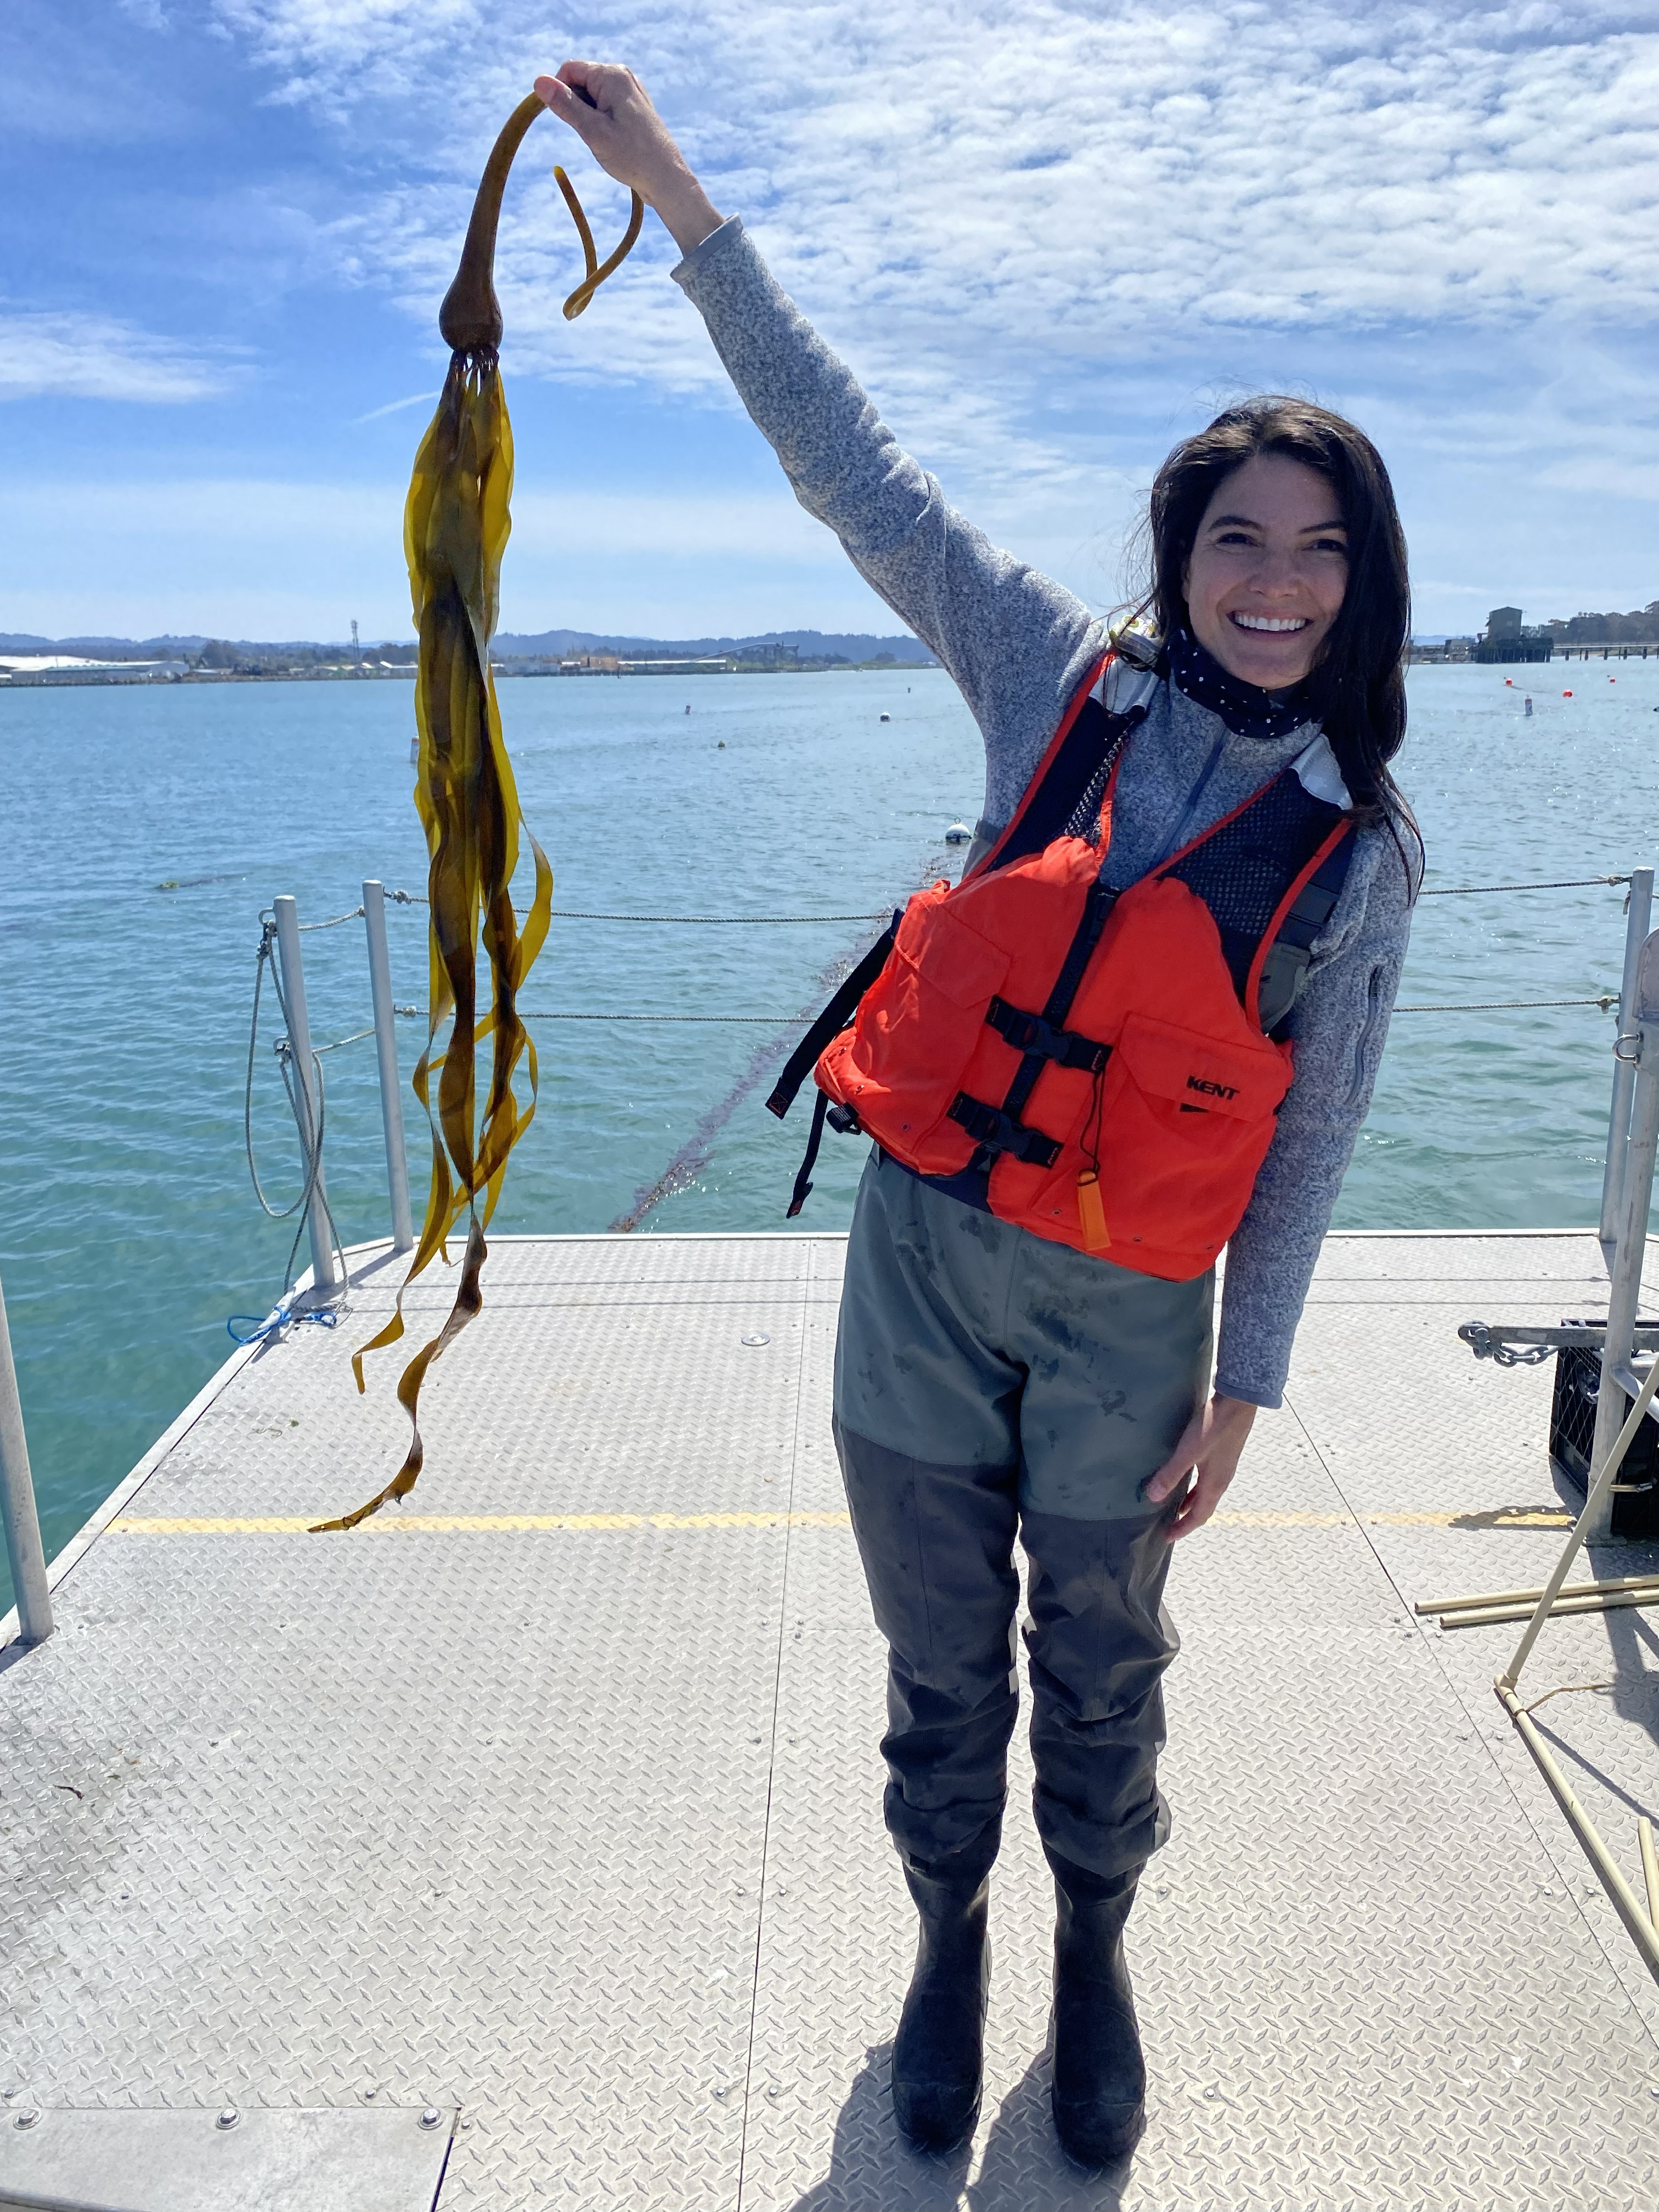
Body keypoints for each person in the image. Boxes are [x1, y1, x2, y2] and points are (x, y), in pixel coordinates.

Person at [538, 61, 1418, 2169]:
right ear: (1180, 556)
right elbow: (864, 476)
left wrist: (1249, 1384)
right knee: (943, 1666)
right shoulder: (1053, 679)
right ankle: (950, 1934)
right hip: (924, 1273)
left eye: (1317, 551)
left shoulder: (1364, 854)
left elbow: (1310, 1143)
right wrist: (677, 201)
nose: (1272, 584)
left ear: (1358, 582)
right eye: (1237, 542)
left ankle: (1091, 1945)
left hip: (1135, 1323)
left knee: (1102, 1668)